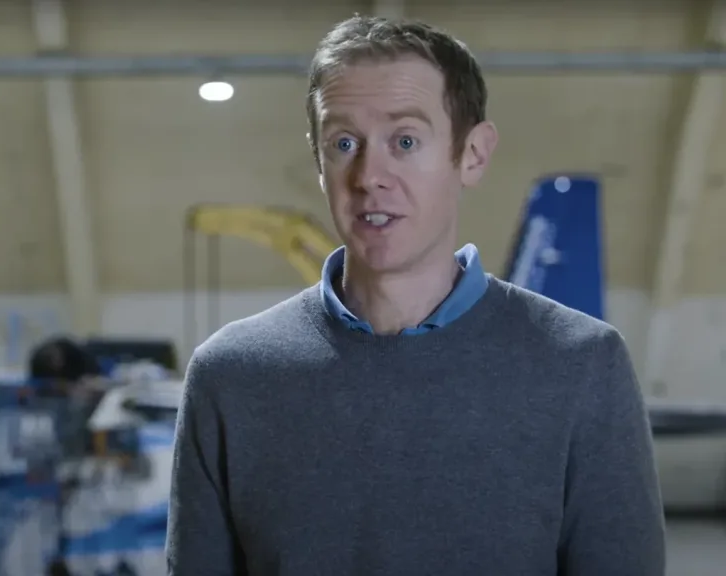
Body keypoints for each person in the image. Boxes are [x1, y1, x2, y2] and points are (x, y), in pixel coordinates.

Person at [166, 15, 664, 576]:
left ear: (472, 154)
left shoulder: (582, 365)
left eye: (405, 141)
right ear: (319, 161)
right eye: (344, 143)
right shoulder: (229, 376)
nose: (368, 175)